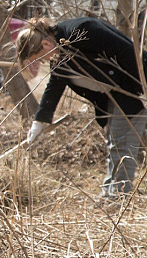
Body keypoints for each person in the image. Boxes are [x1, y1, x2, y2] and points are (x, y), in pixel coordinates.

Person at [16, 16, 147, 199]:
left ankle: (118, 197)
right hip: (115, 93)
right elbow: (56, 83)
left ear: (45, 44)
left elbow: (127, 52)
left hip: (134, 88)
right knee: (115, 143)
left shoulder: (83, 31)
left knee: (122, 144)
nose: (45, 62)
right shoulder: (61, 50)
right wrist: (40, 121)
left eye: (41, 58)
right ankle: (109, 193)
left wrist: (143, 89)